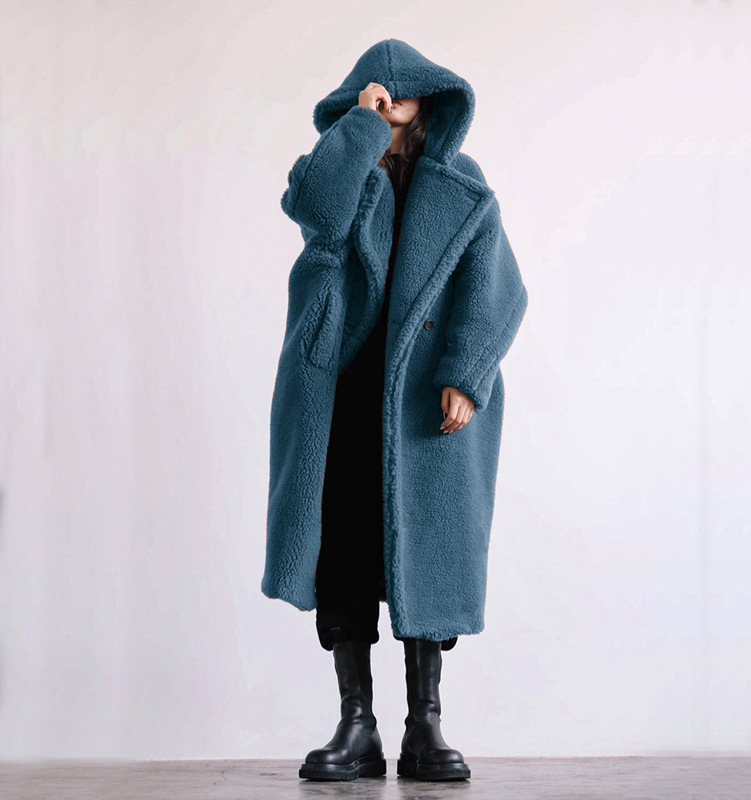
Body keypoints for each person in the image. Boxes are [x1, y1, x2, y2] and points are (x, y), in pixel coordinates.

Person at [262, 39, 529, 783]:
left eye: (407, 88)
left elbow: (496, 286)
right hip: (339, 384)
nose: (394, 93)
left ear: (433, 101)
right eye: (379, 88)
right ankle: (356, 725)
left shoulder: (465, 185)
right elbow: (317, 212)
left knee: (426, 547)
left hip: (424, 395)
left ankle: (424, 724)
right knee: (343, 542)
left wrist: (465, 374)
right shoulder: (337, 167)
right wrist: (359, 127)